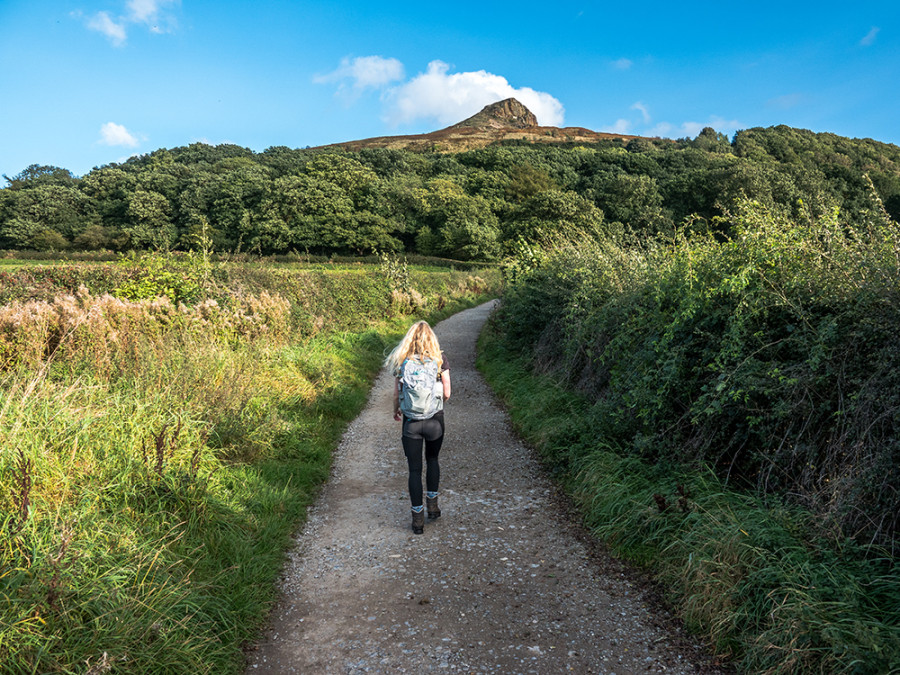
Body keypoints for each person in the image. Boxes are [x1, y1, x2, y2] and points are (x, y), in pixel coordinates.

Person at [385, 321, 451, 534]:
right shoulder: (440, 360)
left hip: (411, 423)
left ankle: (417, 520)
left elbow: (396, 394)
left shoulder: (402, 361)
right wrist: (437, 405)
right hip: (435, 421)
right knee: (432, 460)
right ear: (431, 338)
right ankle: (433, 506)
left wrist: (397, 410)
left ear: (409, 339)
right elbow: (448, 392)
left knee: (414, 470)